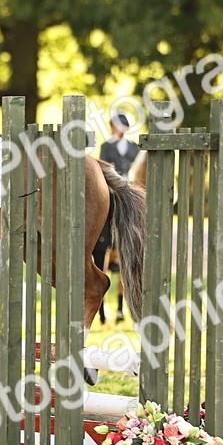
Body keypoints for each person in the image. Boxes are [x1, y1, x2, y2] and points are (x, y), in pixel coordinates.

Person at [95, 111, 140, 322]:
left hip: (130, 193)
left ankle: (122, 308)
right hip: (113, 193)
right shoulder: (107, 146)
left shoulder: (134, 147)